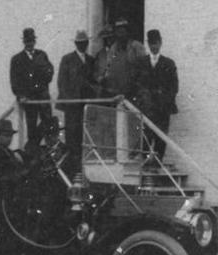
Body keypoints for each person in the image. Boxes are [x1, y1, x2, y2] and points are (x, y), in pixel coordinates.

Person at [135, 30, 179, 163]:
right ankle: (145, 163)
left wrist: (164, 100)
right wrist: (143, 99)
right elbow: (137, 84)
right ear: (148, 44)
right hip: (147, 108)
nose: (154, 46)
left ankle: (158, 163)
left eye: (156, 43)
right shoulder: (141, 63)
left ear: (161, 43)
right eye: (151, 43)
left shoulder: (169, 64)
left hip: (162, 108)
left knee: (161, 137)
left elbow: (174, 87)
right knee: (146, 136)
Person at [10, 27, 55, 154]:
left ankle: (50, 152)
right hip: (29, 100)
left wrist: (42, 81)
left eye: (31, 41)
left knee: (48, 124)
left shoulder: (42, 55)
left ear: (34, 41)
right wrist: (21, 96)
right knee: (32, 128)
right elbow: (14, 81)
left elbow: (50, 72)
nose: (29, 43)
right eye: (27, 41)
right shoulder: (17, 59)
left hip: (43, 97)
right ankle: (33, 154)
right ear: (24, 42)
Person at [57, 30, 95, 175]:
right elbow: (62, 82)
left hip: (86, 107)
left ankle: (85, 168)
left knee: (85, 136)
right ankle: (72, 170)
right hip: (72, 107)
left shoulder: (91, 60)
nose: (82, 45)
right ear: (75, 44)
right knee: (72, 137)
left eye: (84, 43)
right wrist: (70, 101)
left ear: (87, 43)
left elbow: (94, 81)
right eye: (79, 43)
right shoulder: (67, 59)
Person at [99, 18, 146, 100]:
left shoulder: (136, 47)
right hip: (116, 92)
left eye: (123, 31)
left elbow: (144, 68)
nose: (121, 34)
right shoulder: (114, 48)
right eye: (118, 31)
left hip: (133, 92)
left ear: (127, 32)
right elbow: (109, 66)